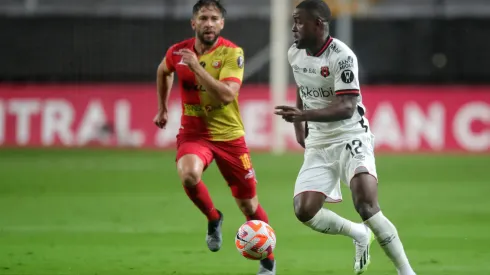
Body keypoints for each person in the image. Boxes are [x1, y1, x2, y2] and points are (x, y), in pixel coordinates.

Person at [274, 1, 416, 274]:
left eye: (299, 21)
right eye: (293, 21)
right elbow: (303, 88)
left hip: (351, 136)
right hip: (319, 141)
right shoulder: (294, 53)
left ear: (318, 24)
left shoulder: (342, 57)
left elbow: (346, 107)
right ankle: (358, 234)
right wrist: (298, 126)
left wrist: (303, 118)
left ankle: (406, 271)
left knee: (365, 204)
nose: (293, 27)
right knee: (304, 210)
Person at [153, 0, 275, 274]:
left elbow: (227, 94)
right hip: (194, 134)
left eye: (214, 19)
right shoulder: (177, 52)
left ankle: (268, 259)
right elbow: (163, 71)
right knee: (188, 175)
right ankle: (213, 217)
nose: (209, 23)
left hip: (230, 137)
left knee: (249, 205)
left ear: (222, 24)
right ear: (193, 23)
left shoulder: (232, 54)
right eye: (204, 18)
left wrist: (197, 67)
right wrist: (162, 108)